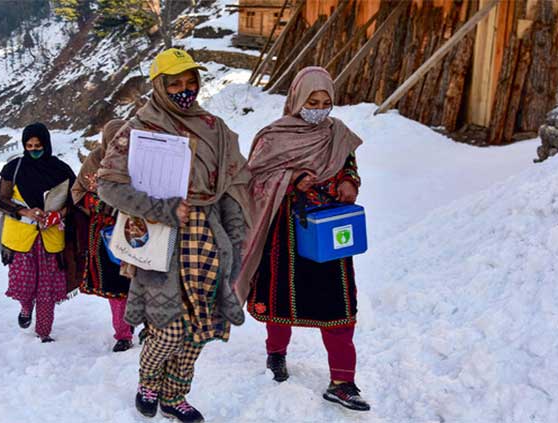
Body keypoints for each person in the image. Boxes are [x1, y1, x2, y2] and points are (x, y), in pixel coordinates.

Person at [97, 48, 251, 423]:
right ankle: (148, 383)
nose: (186, 89)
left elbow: (235, 184)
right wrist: (161, 209)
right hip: (158, 242)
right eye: (175, 83)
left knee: (198, 329)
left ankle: (175, 395)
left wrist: (237, 239)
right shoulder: (139, 129)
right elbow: (107, 184)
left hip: (206, 241)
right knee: (166, 331)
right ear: (159, 87)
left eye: (191, 82)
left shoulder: (216, 129)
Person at [236, 67, 369, 411]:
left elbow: (349, 165)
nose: (320, 108)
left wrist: (350, 183)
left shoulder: (338, 134)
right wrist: (293, 179)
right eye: (312, 101)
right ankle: (276, 354)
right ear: (297, 100)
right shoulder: (273, 138)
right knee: (281, 300)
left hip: (330, 234)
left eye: (326, 102)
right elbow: (256, 180)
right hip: (285, 235)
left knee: (339, 306)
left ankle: (343, 381)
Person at [0, 122, 76, 343]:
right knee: (23, 283)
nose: (33, 149)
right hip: (22, 238)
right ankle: (25, 307)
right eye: (29, 145)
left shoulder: (61, 170)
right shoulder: (14, 168)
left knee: (47, 288)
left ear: (46, 144)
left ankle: (44, 332)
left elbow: (75, 201)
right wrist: (25, 212)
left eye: (38, 145)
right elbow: (1, 200)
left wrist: (58, 215)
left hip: (50, 238)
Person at [71, 119, 136, 352]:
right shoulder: (95, 161)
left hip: (138, 230)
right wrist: (103, 203)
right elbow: (78, 191)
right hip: (106, 231)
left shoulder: (139, 160)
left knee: (144, 280)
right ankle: (123, 334)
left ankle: (146, 323)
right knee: (116, 284)